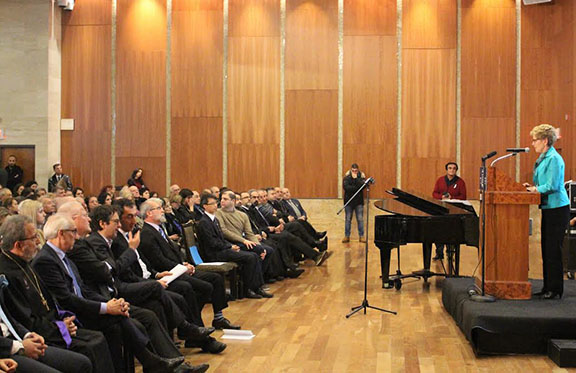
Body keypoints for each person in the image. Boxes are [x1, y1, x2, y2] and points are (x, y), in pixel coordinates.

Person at [524, 124, 570, 300]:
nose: (533, 143)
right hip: (549, 208)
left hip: (558, 208)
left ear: (545, 140)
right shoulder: (544, 157)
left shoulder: (554, 159)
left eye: (535, 140)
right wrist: (532, 187)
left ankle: (555, 289)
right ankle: (547, 286)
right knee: (546, 248)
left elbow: (552, 185)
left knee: (553, 249)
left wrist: (535, 189)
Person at [432, 162, 467, 260]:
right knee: (438, 231)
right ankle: (439, 253)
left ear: (456, 170)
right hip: (441, 209)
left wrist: (452, 198)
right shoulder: (440, 180)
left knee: (451, 232)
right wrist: (441, 197)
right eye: (450, 168)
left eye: (454, 168)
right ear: (446, 170)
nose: (452, 170)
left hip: (453, 210)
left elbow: (463, 196)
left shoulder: (460, 182)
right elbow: (434, 193)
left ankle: (450, 252)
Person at [342, 163, 365, 243]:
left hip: (358, 202)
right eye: (353, 171)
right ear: (350, 170)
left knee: (360, 219)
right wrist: (356, 187)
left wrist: (356, 179)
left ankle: (361, 236)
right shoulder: (346, 178)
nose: (354, 172)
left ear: (358, 170)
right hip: (349, 201)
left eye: (356, 170)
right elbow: (347, 188)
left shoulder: (361, 177)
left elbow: (362, 186)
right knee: (348, 219)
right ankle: (347, 236)